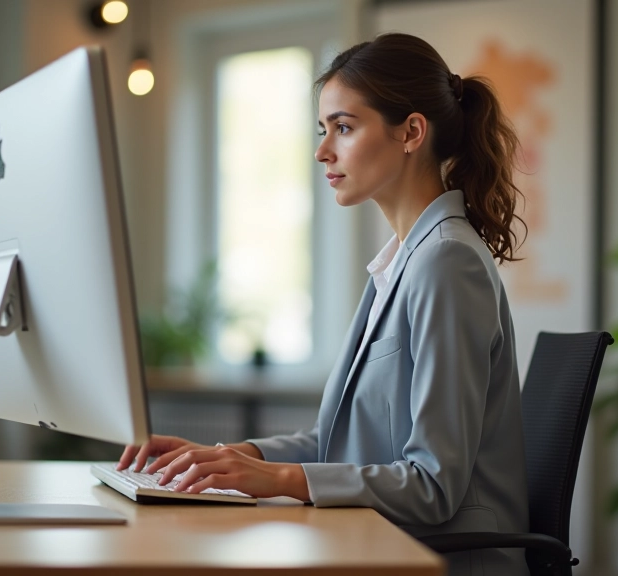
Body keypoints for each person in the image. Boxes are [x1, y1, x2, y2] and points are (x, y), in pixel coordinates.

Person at [118, 32, 530, 576]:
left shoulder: (446, 263)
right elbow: (337, 442)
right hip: (386, 546)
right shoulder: (405, 261)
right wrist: (229, 457)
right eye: (323, 129)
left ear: (410, 132)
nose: (322, 151)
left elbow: (434, 485)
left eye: (344, 127)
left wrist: (282, 481)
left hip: (446, 561)